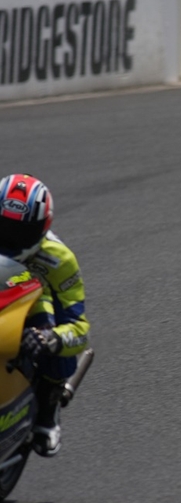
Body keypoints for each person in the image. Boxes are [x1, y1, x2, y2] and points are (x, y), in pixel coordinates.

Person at [0, 174, 91, 456]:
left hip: (35, 304)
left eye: (21, 232)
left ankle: (47, 415)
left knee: (57, 347)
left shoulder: (59, 259)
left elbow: (79, 329)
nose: (10, 239)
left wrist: (51, 339)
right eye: (3, 227)